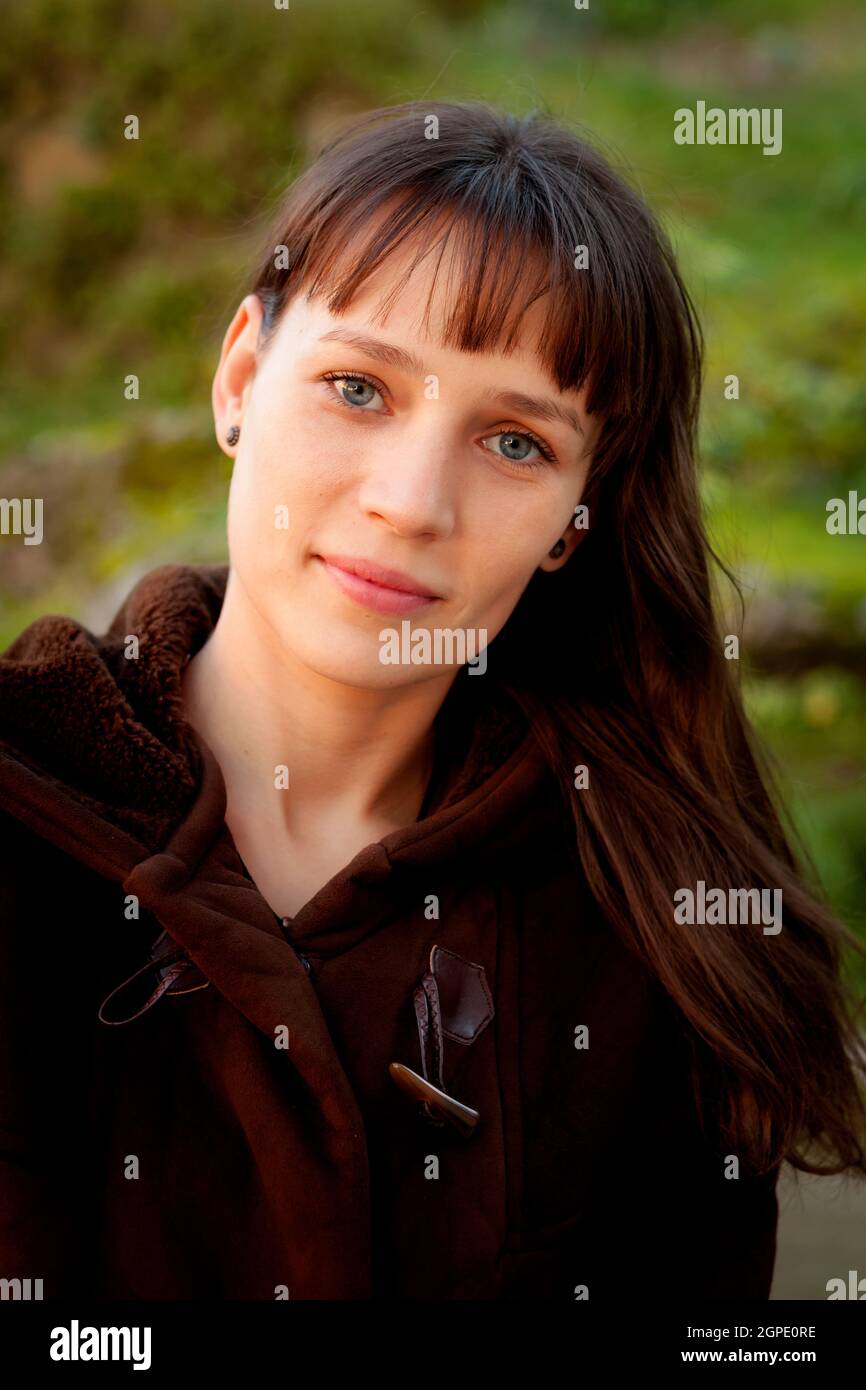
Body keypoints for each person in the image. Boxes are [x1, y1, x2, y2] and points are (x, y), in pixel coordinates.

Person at [1, 99, 864, 1302]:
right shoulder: (21, 808)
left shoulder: (652, 925)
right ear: (239, 377)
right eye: (357, 387)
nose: (409, 502)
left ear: (573, 520)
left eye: (514, 443)